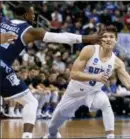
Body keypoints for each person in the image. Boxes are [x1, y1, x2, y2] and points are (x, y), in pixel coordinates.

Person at [0, 3, 102, 139]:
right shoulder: (30, 31)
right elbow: (60, 37)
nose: (34, 15)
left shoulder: (3, 23)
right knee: (31, 102)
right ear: (25, 15)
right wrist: (86, 38)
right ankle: (27, 136)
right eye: (32, 12)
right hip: (2, 66)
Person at [43, 25, 130, 139]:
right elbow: (74, 74)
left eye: (111, 37)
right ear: (100, 39)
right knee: (52, 128)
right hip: (74, 92)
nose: (108, 39)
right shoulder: (89, 50)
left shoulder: (117, 62)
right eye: (105, 36)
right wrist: (95, 77)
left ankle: (110, 136)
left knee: (105, 102)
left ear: (116, 40)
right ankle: (53, 134)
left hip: (93, 93)